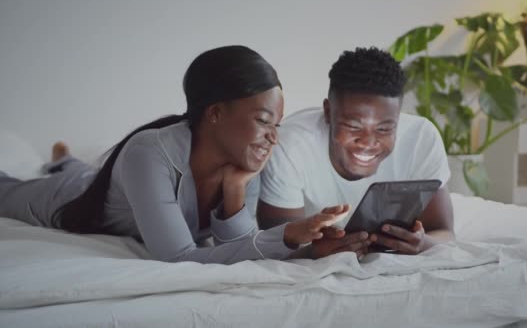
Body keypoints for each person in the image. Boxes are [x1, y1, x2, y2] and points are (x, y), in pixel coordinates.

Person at [0, 45, 348, 265]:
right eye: (263, 121)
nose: (274, 137)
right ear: (214, 113)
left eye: (278, 124)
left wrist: (235, 188)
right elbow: (179, 256)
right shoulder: (148, 151)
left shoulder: (243, 160)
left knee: (84, 169)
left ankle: (64, 157)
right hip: (70, 196)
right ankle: (63, 163)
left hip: (107, 180)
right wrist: (286, 236)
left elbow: (238, 248)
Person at [257, 47, 455, 259]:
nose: (368, 143)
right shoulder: (290, 145)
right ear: (328, 112)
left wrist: (423, 243)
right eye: (353, 126)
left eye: (384, 129)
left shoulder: (421, 137)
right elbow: (275, 247)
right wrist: (313, 252)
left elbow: (445, 233)